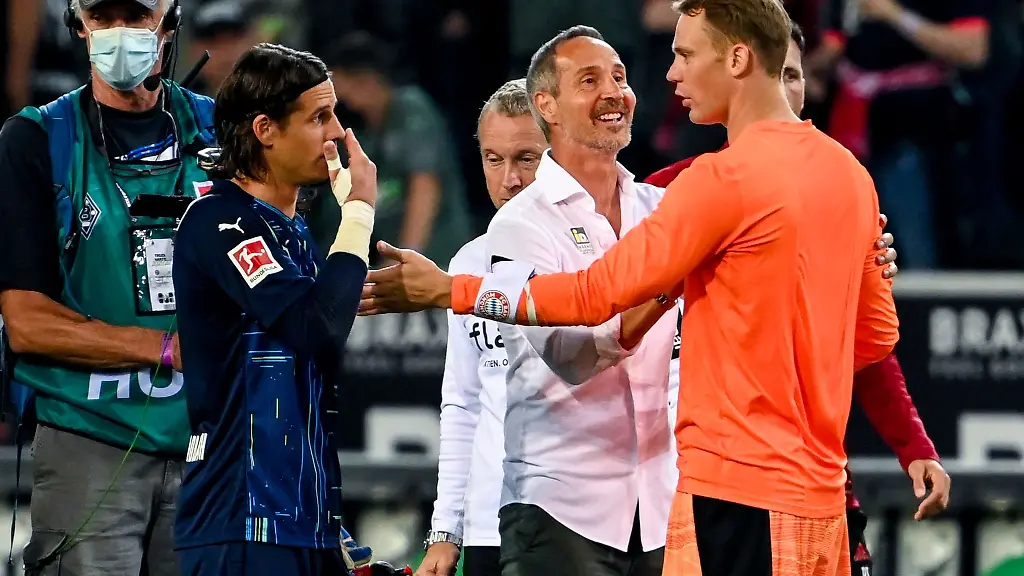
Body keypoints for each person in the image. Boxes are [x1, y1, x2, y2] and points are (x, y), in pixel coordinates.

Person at [357, 1, 928, 574]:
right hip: (820, 499)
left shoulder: (716, 183)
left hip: (733, 494)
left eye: (684, 55)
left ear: (735, 58)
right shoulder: (851, 176)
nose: (672, 74)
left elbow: (590, 296)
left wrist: (450, 290)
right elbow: (874, 338)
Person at [644, 22, 950, 576]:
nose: (783, 92)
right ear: (739, 72)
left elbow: (867, 347)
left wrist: (915, 446)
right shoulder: (665, 195)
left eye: (794, 76)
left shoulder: (843, 194)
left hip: (813, 489)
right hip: (691, 489)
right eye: (774, 74)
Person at [0, 1, 214, 574]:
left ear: (170, 23)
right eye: (103, 15)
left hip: (209, 443)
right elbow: (25, 322)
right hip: (87, 438)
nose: (119, 32)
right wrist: (165, 349)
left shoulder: (226, 133)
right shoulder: (36, 139)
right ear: (77, 25)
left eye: (137, 15)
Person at [171, 43, 380, 576]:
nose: (337, 134)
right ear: (265, 130)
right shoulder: (221, 221)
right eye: (319, 117)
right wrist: (357, 212)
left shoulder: (297, 240)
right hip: (239, 521)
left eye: (335, 114)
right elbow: (317, 329)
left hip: (305, 523)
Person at [416, 78, 547, 576]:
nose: (509, 178)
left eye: (526, 158)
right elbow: (463, 403)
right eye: (494, 159)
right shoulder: (467, 263)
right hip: (488, 529)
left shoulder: (597, 257)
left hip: (575, 527)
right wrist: (447, 530)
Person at [325, 32, 473, 266]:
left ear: (366, 79)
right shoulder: (366, 129)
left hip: (438, 258)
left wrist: (405, 258)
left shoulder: (411, 109)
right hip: (395, 257)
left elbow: (425, 184)